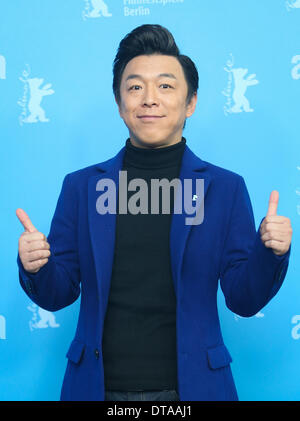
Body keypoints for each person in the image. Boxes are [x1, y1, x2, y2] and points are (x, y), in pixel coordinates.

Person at [16, 24, 292, 402]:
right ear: (119, 103)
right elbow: (59, 292)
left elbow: (243, 299)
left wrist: (270, 253)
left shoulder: (224, 189)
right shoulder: (82, 187)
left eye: (165, 86)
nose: (149, 99)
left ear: (191, 102)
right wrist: (36, 267)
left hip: (194, 390)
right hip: (96, 389)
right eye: (134, 87)